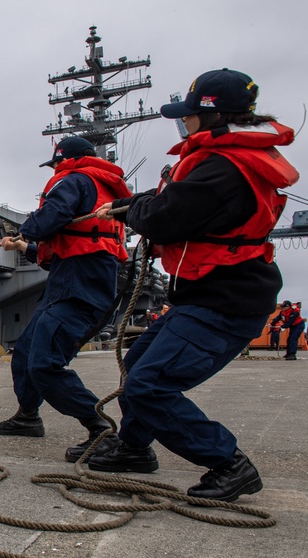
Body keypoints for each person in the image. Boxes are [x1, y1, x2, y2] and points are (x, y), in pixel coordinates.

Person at [90, 69, 299, 503]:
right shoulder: (222, 160)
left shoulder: (223, 169)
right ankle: (133, 448)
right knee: (139, 366)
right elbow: (171, 196)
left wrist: (132, 212)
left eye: (187, 115)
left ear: (212, 116)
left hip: (225, 300)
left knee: (150, 385)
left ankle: (228, 463)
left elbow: (163, 217)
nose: (182, 122)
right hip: (207, 295)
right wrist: (132, 203)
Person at [0, 136, 133, 463]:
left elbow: (53, 217)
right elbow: (73, 247)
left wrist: (25, 230)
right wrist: (25, 247)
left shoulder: (76, 179)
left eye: (55, 164)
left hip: (78, 287)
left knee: (45, 364)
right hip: (72, 281)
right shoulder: (98, 187)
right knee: (24, 353)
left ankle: (100, 427)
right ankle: (27, 417)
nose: (54, 169)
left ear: (65, 161)